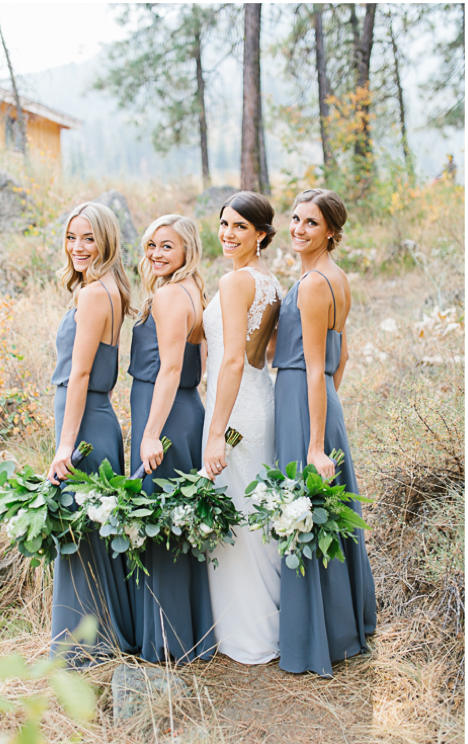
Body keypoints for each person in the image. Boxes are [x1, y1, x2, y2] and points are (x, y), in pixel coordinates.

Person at [272, 188, 376, 676]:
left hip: (302, 400)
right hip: (320, 403)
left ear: (331, 232)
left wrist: (314, 441)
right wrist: (328, 411)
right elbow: (343, 358)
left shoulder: (314, 283)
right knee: (323, 512)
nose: (297, 229)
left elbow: (316, 369)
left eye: (310, 223)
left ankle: (312, 637)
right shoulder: (336, 277)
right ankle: (341, 624)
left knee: (304, 510)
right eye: (294, 219)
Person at [127, 215, 216, 664]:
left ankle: (165, 640)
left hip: (163, 415)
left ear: (187, 251)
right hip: (187, 414)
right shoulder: (194, 291)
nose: (157, 254)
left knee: (159, 524)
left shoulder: (167, 296)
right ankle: (189, 631)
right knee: (178, 525)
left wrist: (148, 434)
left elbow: (171, 369)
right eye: (151, 246)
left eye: (167, 247)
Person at [46, 202, 133, 661]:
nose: (78, 247)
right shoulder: (111, 287)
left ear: (106, 241)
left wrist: (64, 446)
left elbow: (80, 375)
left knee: (80, 538)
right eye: (71, 237)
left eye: (88, 238)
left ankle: (84, 651)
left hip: (84, 428)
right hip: (93, 420)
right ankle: (98, 642)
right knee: (90, 536)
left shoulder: (95, 294)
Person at [201, 191, 282, 665]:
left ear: (261, 235)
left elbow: (231, 359)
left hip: (235, 414)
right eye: (224, 224)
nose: (228, 234)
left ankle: (248, 635)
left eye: (240, 227)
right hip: (259, 401)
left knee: (237, 514)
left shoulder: (235, 285)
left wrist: (216, 432)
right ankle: (267, 620)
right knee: (255, 513)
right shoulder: (268, 281)